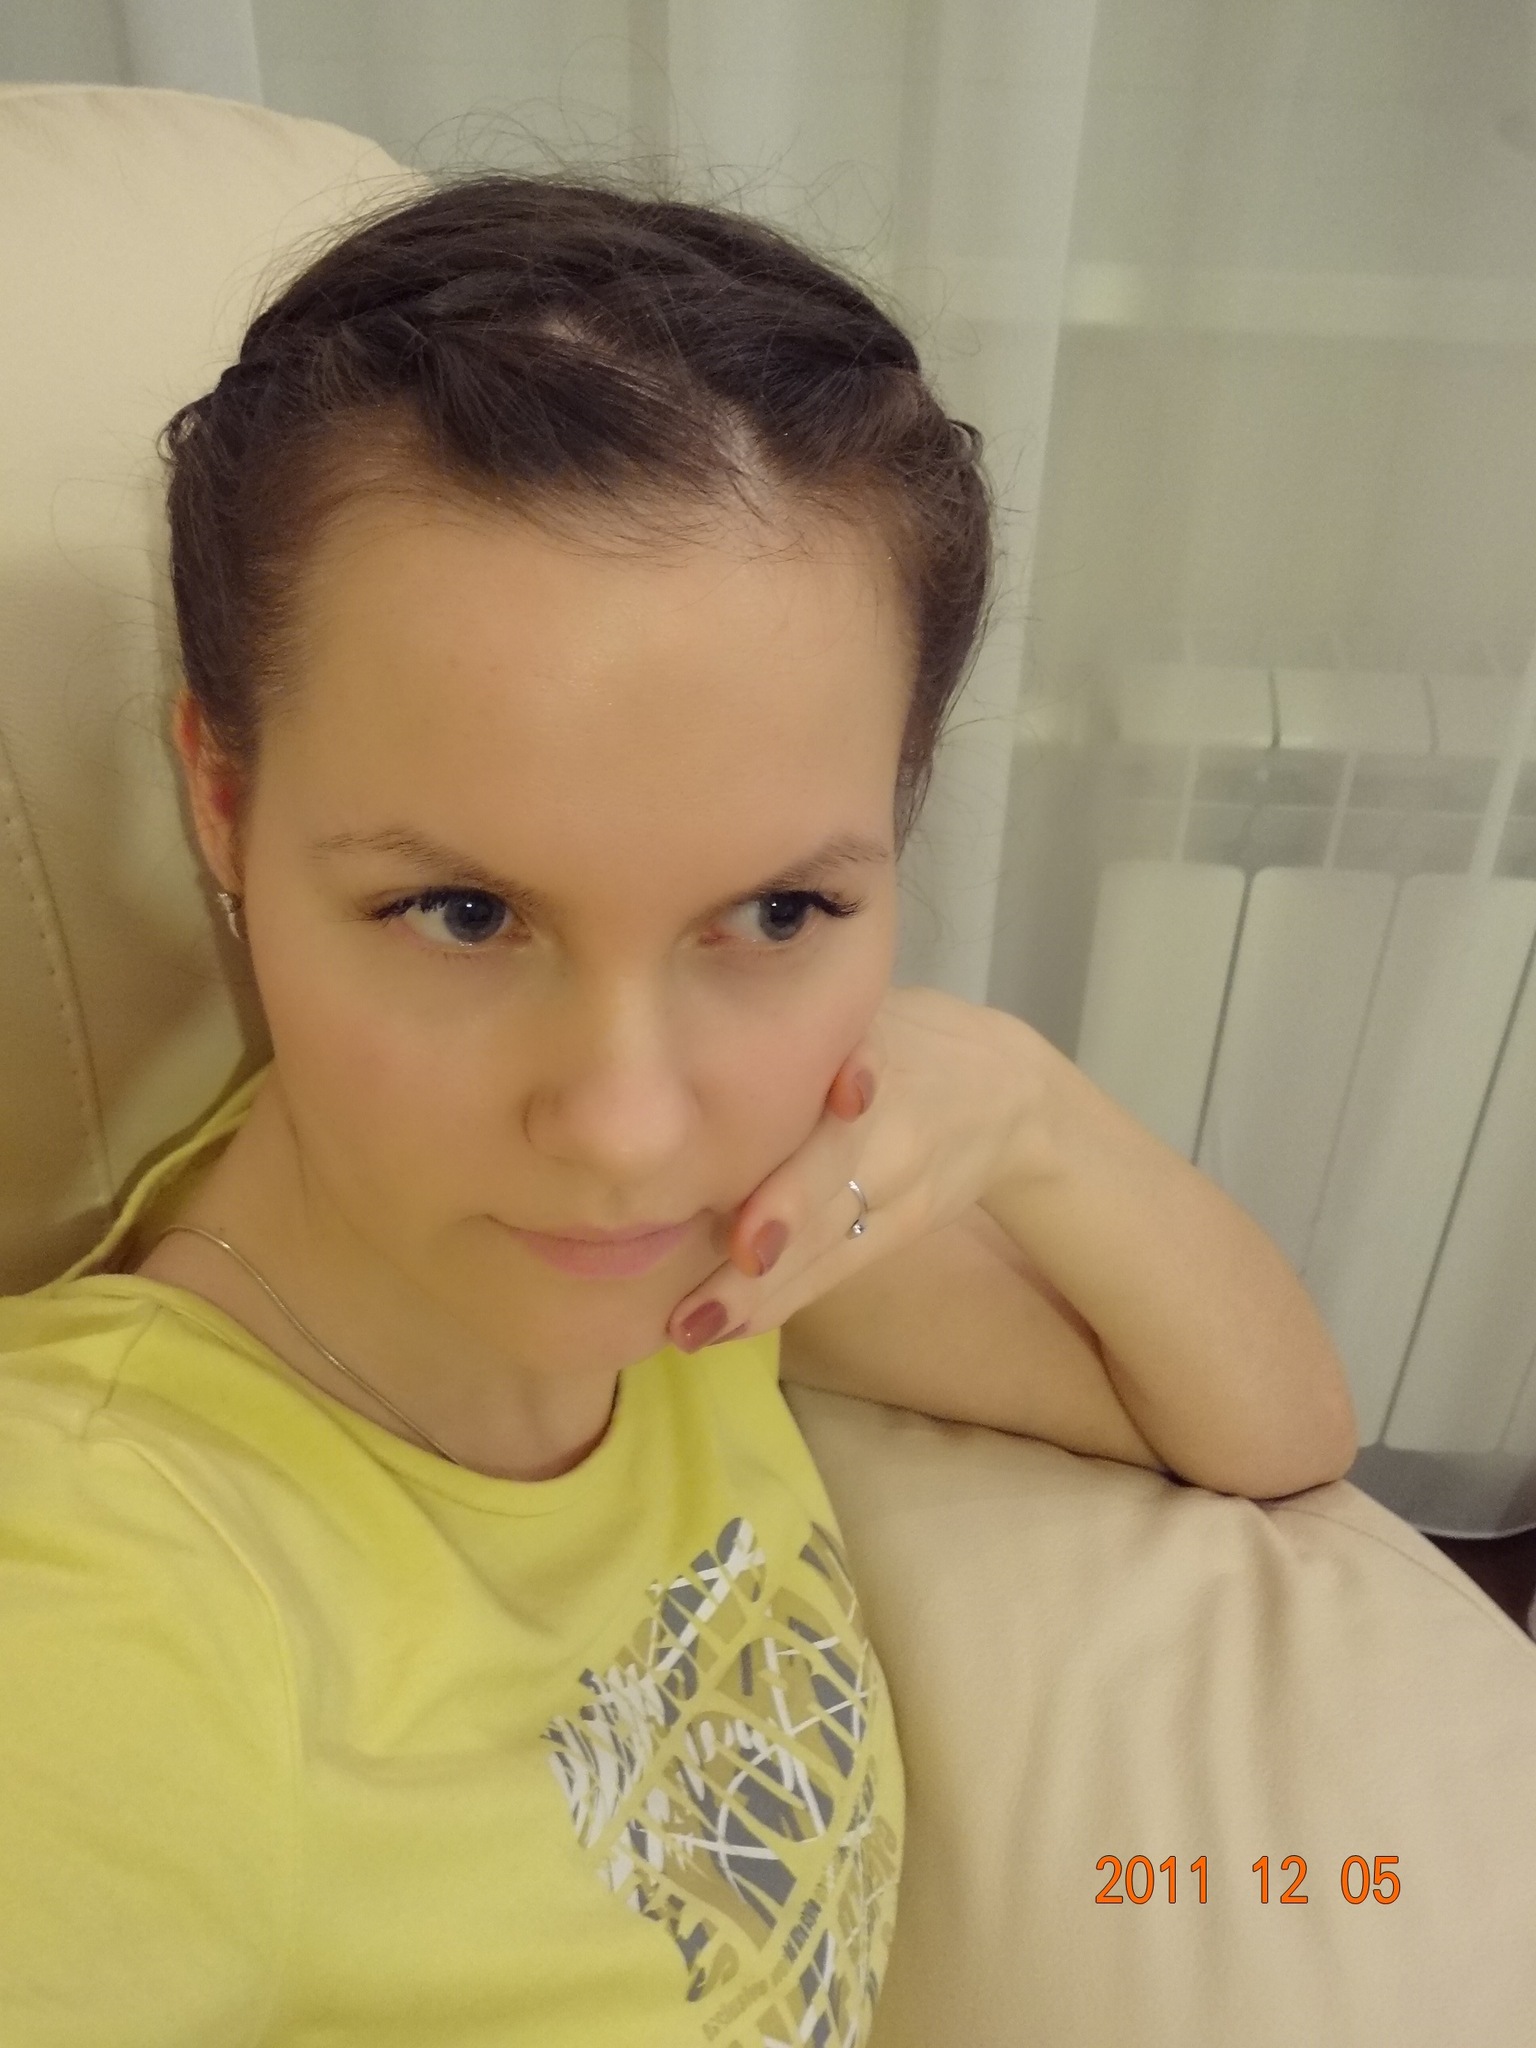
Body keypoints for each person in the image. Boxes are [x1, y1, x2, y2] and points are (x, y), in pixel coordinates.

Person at [0, 167, 995, 2045]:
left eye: (780, 913)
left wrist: (1021, 1105)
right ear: (222, 802)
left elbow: (1268, 1422)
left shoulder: (731, 1248)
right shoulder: (95, 1583)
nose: (626, 1130)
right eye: (460, 913)